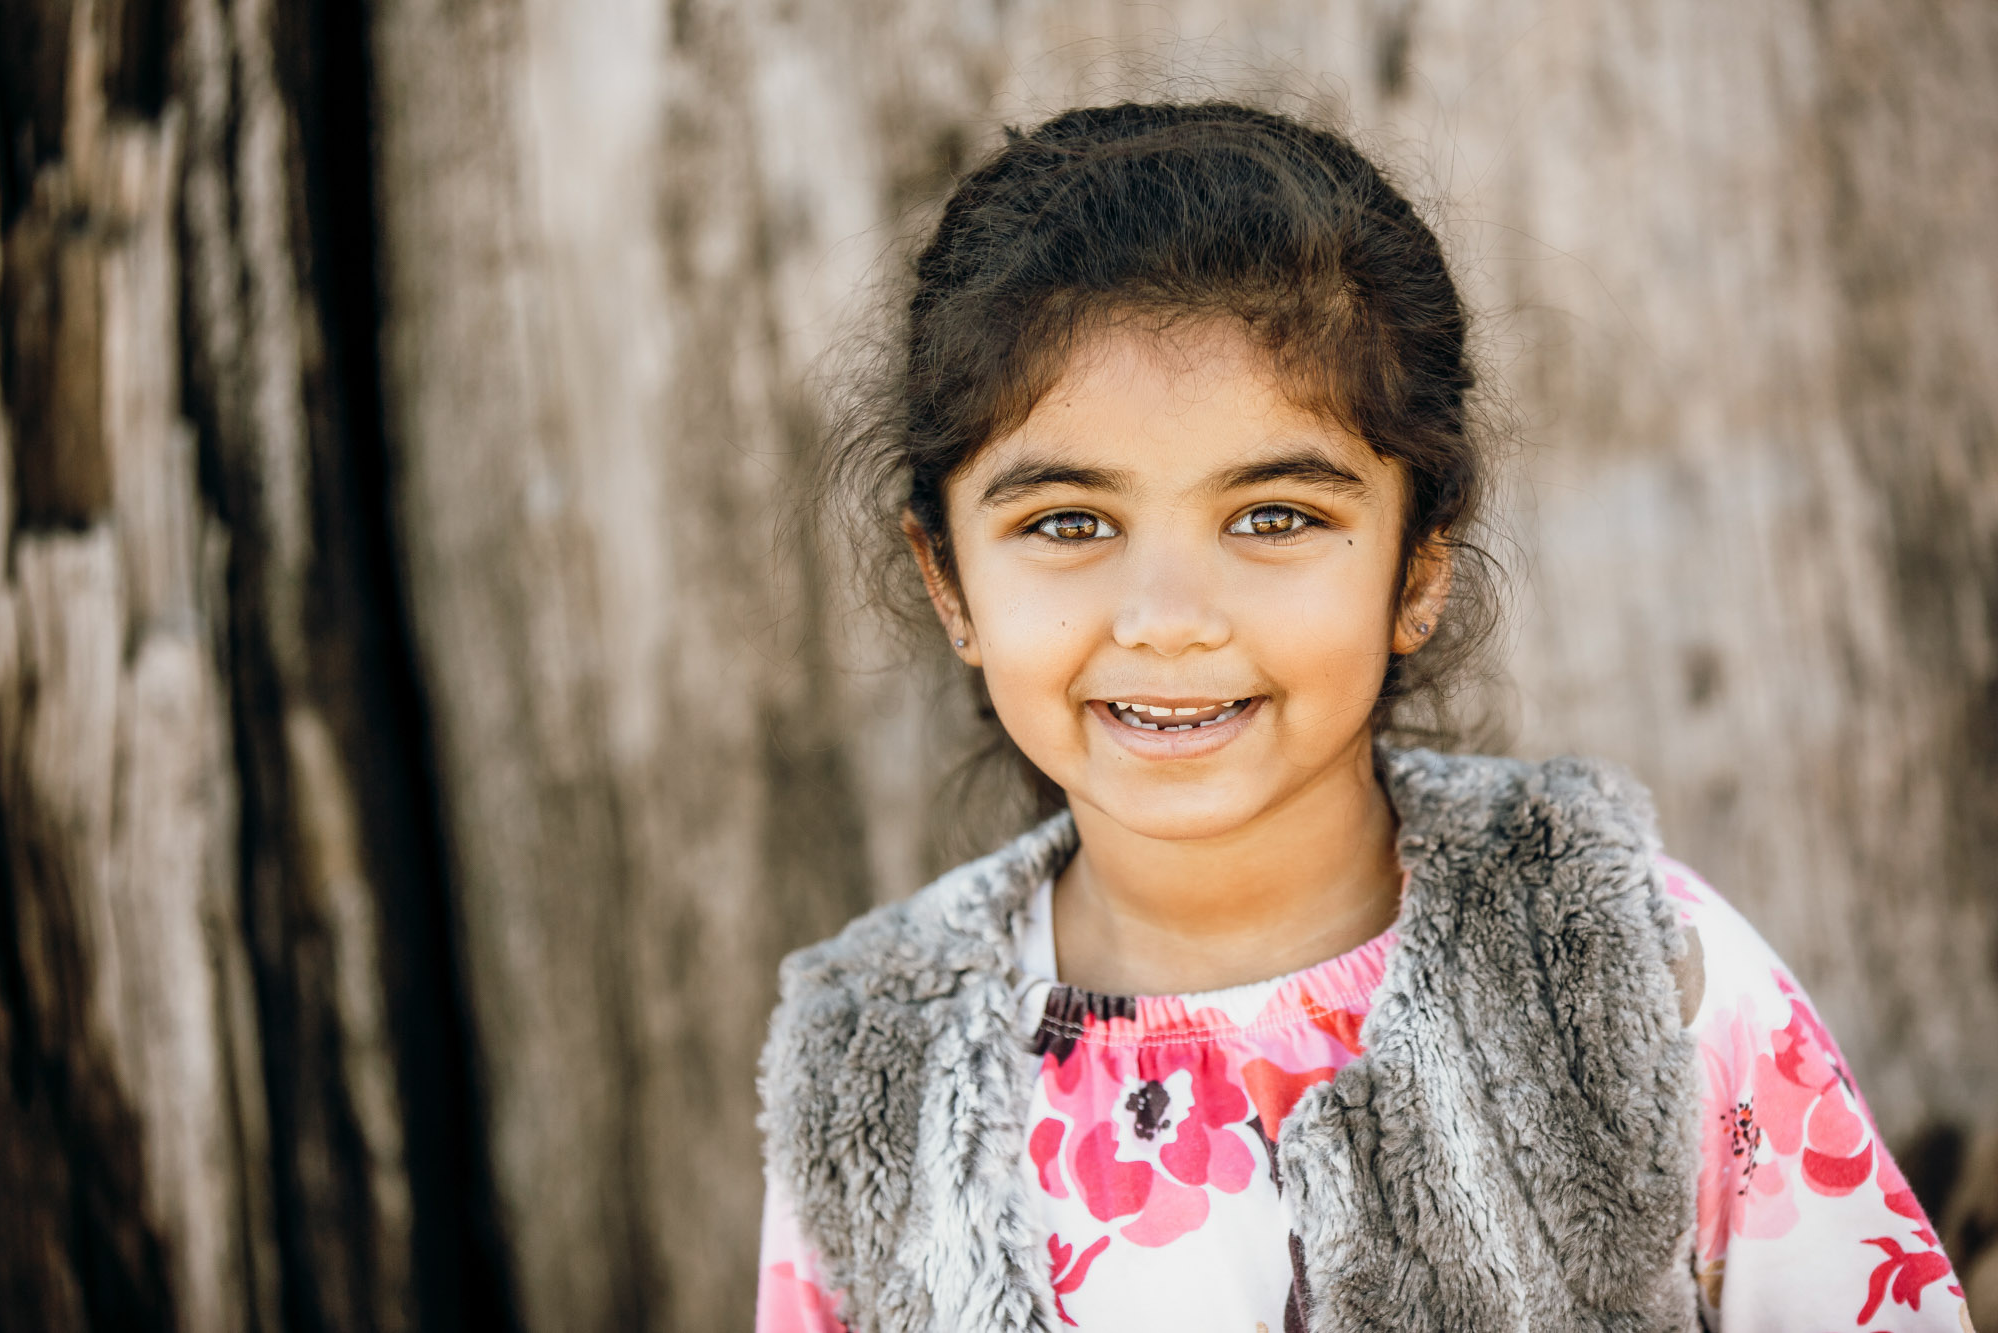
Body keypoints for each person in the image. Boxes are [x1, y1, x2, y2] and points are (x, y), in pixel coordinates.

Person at [753, 102, 1972, 1333]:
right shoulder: (873, 1069)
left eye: (1273, 516)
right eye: (1067, 523)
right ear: (947, 579)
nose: (1168, 619)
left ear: (1418, 565)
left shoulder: (1631, 972)